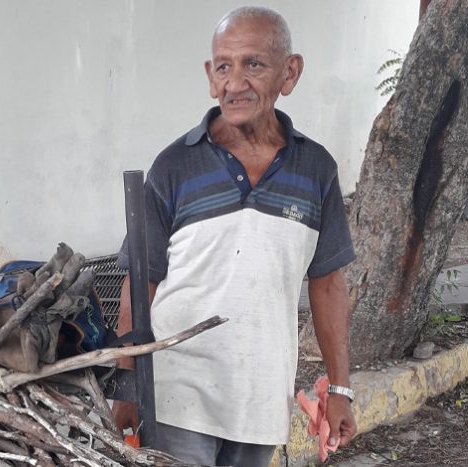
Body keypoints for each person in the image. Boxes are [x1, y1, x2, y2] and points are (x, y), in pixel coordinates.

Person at [113, 6, 357, 466]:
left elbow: (328, 286)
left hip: (261, 398)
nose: (235, 82)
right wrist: (127, 383)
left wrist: (340, 389)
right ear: (210, 76)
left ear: (290, 72)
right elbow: (138, 286)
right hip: (176, 394)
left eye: (254, 64)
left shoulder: (317, 170)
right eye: (224, 66)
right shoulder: (174, 167)